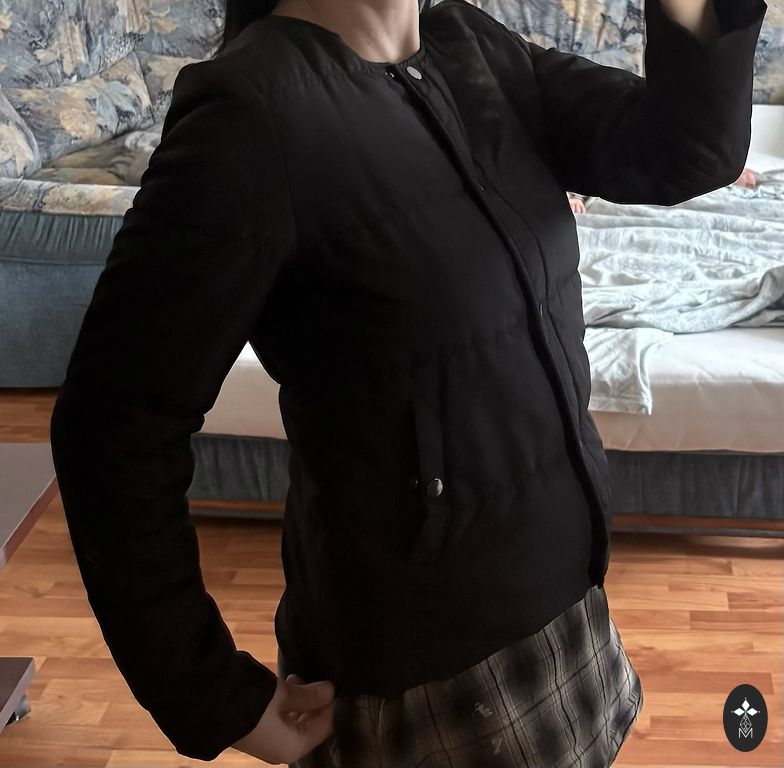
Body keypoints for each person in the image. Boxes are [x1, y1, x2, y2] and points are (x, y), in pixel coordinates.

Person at [48, 0, 767, 765]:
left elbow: (686, 150)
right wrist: (211, 693)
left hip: (570, 610)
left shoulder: (475, 48)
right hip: (432, 685)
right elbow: (111, 428)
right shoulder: (249, 115)